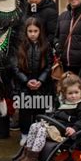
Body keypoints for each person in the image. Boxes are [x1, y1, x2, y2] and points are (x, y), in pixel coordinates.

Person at [15, 72, 81, 161]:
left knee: (42, 131)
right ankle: (27, 153)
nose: (73, 96)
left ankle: (33, 158)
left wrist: (75, 128)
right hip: (56, 126)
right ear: (64, 94)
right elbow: (55, 113)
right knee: (34, 126)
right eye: (70, 93)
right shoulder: (64, 102)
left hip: (66, 132)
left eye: (76, 92)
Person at [11, 17, 54, 146]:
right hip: (24, 86)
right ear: (26, 32)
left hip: (41, 86)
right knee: (25, 111)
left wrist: (41, 80)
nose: (33, 34)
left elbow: (49, 65)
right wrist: (26, 81)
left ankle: (38, 134)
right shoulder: (19, 46)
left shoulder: (45, 45)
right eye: (30, 31)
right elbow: (15, 67)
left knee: (39, 110)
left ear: (40, 31)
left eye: (35, 31)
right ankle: (24, 134)